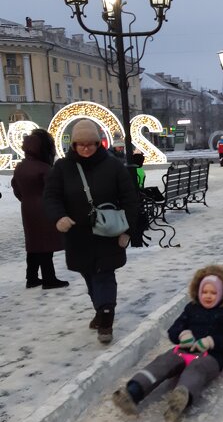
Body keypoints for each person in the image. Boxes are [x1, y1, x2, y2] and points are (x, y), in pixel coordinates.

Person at [43, 119, 138, 343]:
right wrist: (59, 217)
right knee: (89, 274)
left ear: (98, 143)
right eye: (80, 144)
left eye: (90, 144)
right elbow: (51, 196)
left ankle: (106, 317)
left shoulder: (113, 165)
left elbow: (130, 199)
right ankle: (100, 308)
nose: (86, 148)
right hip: (78, 235)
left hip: (109, 232)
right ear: (73, 145)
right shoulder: (63, 168)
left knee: (104, 274)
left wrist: (128, 231)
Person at [112, 265, 223, 422]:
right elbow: (174, 329)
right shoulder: (191, 308)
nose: (208, 296)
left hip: (211, 357)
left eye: (213, 293)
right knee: (163, 362)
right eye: (204, 292)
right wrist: (182, 334)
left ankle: (181, 399)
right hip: (184, 350)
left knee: (196, 370)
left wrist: (210, 341)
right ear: (198, 291)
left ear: (222, 294)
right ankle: (133, 391)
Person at [11, 128, 69, 290]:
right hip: (44, 209)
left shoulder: (21, 167)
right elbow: (54, 191)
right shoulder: (44, 168)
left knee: (33, 243)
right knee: (45, 244)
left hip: (27, 208)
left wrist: (27, 200)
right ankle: (49, 278)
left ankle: (32, 277)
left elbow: (16, 189)